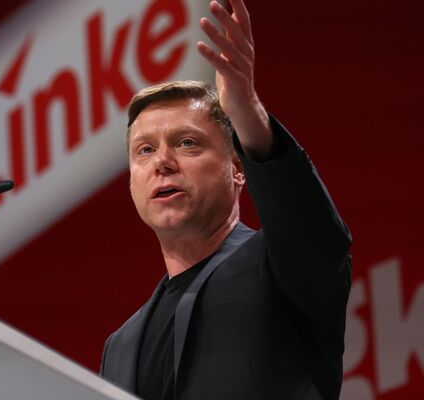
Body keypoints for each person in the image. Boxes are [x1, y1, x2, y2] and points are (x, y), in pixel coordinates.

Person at [99, 1, 352, 399]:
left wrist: (247, 112)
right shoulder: (119, 347)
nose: (162, 162)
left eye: (187, 143)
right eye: (144, 151)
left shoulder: (279, 266)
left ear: (238, 168)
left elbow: (313, 231)